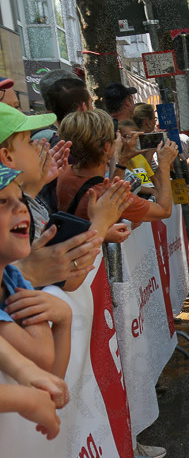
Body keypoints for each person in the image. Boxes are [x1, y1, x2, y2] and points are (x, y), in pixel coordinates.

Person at [0, 105, 129, 291]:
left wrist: (35, 185)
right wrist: (100, 223)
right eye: (29, 142)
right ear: (7, 157)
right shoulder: (9, 216)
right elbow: (68, 280)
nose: (40, 145)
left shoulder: (23, 200)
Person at [0, 166, 71, 382]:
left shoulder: (11, 276)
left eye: (21, 199)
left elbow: (55, 383)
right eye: (2, 202)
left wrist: (65, 319)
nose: (22, 208)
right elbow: (44, 357)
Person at [56, 110, 173, 225]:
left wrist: (123, 160)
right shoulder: (108, 195)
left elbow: (113, 186)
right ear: (106, 147)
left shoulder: (64, 172)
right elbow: (163, 210)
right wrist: (164, 164)